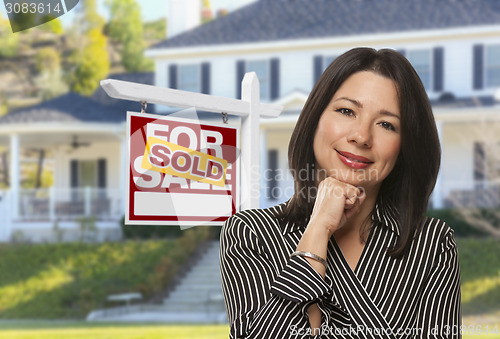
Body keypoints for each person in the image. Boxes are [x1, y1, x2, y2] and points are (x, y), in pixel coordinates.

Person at [219, 48, 461, 338]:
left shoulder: (432, 244)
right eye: (346, 111)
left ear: (405, 146)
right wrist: (318, 230)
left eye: (387, 124)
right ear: (315, 119)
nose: (361, 136)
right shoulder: (250, 233)